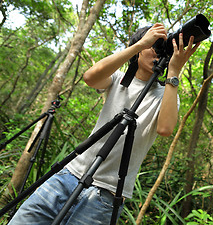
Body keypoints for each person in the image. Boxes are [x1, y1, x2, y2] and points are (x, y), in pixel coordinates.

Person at [8, 23, 200, 224]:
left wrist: (174, 72)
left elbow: (165, 129)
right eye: (155, 47)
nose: (159, 54)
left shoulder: (166, 93)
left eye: (163, 50)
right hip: (68, 176)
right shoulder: (118, 79)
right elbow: (90, 77)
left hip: (106, 195)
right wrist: (140, 44)